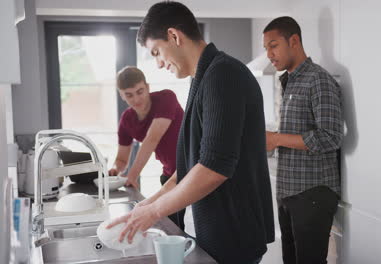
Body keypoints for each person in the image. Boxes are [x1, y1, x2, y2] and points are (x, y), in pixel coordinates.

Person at [107, 2, 275, 264]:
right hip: (214, 234)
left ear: (174, 36)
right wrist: (146, 206)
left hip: (233, 237)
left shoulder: (223, 74)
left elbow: (214, 167)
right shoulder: (204, 78)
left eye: (156, 52)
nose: (159, 64)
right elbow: (190, 166)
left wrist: (153, 213)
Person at [263, 16, 344, 264]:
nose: (269, 54)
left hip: (313, 193)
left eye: (273, 45)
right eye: (266, 48)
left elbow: (330, 137)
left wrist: (276, 139)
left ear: (294, 41)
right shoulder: (289, 82)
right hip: (289, 192)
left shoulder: (318, 79)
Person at [109, 66, 186, 230]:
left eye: (140, 91)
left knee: (199, 225)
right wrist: (115, 170)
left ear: (148, 87)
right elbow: (121, 159)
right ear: (121, 95)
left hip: (192, 169)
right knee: (172, 227)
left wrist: (133, 175)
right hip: (169, 176)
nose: (136, 99)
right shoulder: (126, 120)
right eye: (129, 94)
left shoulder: (166, 98)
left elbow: (151, 140)